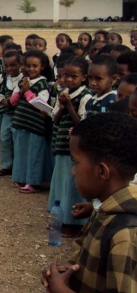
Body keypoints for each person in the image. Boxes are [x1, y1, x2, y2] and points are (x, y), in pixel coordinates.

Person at [41, 113, 137, 293]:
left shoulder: (126, 235)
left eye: (76, 163)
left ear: (102, 171)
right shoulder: (104, 210)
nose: (73, 170)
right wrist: (67, 268)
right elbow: (86, 253)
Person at [49, 57, 92, 237]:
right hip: (61, 145)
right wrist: (61, 106)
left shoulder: (85, 96)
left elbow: (81, 122)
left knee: (72, 186)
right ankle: (59, 218)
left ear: (83, 77)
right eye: (65, 75)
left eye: (73, 76)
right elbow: (56, 118)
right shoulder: (64, 92)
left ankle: (73, 222)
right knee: (60, 184)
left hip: (74, 149)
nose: (68, 80)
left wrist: (68, 106)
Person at [10, 50, 54, 193]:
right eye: (28, 66)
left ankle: (33, 182)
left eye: (35, 66)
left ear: (42, 67)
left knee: (34, 154)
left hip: (35, 126)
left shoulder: (42, 83)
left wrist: (27, 91)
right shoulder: (23, 81)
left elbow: (40, 102)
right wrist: (22, 91)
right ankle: (20, 177)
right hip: (20, 123)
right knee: (21, 152)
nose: (31, 69)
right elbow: (13, 101)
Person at [0, 51, 23, 177]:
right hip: (7, 115)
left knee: (17, 141)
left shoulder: (23, 80)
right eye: (6, 66)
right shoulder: (5, 79)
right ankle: (6, 165)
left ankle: (18, 167)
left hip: (19, 116)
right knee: (5, 139)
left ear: (20, 64)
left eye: (13, 65)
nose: (9, 69)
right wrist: (3, 101)